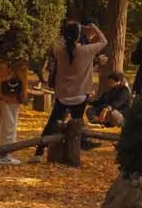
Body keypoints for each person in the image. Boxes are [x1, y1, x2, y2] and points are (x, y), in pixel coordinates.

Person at [37, 20, 107, 159]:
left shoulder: (59, 50)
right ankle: (75, 152)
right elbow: (103, 41)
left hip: (62, 94)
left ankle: (39, 151)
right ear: (79, 35)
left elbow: (59, 42)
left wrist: (68, 30)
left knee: (52, 122)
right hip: (80, 95)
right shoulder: (86, 51)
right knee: (76, 122)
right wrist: (94, 28)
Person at [0, 58, 28, 164]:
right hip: (10, 94)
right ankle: (4, 154)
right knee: (10, 123)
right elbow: (21, 69)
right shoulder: (18, 59)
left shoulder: (1, 60)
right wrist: (23, 94)